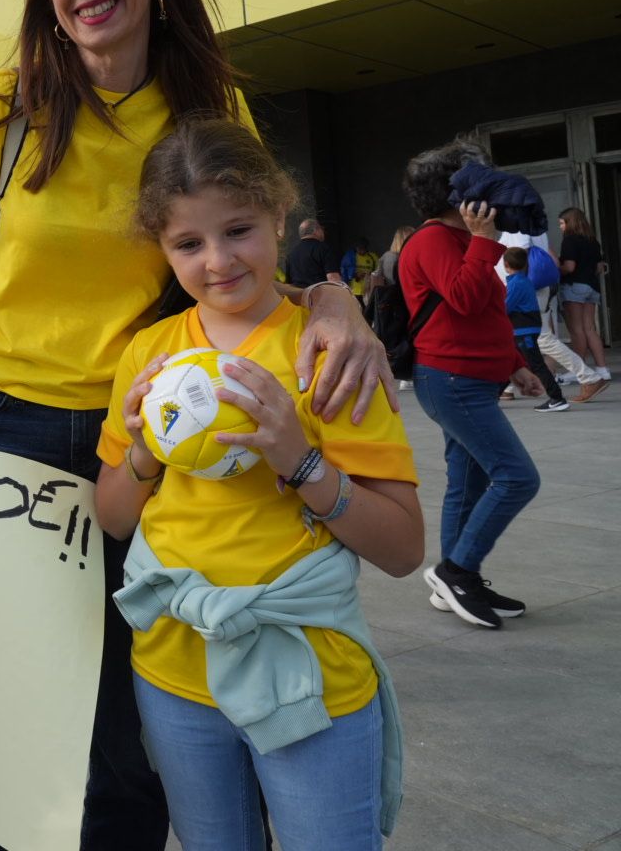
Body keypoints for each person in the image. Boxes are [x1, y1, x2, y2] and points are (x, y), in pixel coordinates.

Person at [0, 0, 389, 851]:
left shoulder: (205, 102)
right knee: (15, 704)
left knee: (123, 713)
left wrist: (331, 300)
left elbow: (246, 238)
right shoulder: (13, 98)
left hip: (136, 434)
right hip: (4, 430)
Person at [97, 120, 421, 850]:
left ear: (279, 213)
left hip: (306, 672)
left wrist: (302, 463)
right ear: (162, 248)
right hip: (174, 669)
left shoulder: (329, 351)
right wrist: (145, 452)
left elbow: (403, 549)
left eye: (238, 229)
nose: (217, 261)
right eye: (188, 244)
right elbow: (113, 518)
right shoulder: (149, 355)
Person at [399, 140, 543, 630]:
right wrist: (484, 240)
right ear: (456, 192)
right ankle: (456, 571)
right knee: (516, 476)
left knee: (468, 483)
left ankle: (459, 581)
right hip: (450, 379)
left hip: (472, 379)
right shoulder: (431, 241)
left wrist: (515, 364)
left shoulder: (463, 241)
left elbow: (485, 313)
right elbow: (462, 298)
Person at [502, 247, 567, 411]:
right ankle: (493, 396)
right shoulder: (523, 280)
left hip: (523, 331)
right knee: (510, 362)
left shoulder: (516, 283)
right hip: (524, 330)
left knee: (536, 364)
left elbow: (505, 307)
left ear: (506, 264)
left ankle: (557, 398)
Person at [557, 206, 609, 381]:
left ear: (570, 223)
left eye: (562, 223)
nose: (560, 227)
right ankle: (602, 369)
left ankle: (578, 371)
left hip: (574, 287)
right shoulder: (592, 241)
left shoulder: (569, 240)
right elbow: (599, 267)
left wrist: (555, 266)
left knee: (577, 330)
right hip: (591, 287)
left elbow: (569, 267)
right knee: (590, 329)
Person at [285, 219, 343, 288]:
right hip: (320, 295)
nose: (323, 231)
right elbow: (333, 278)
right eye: (322, 229)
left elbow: (289, 283)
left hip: (299, 296)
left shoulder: (291, 254)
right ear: (316, 230)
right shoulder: (323, 249)